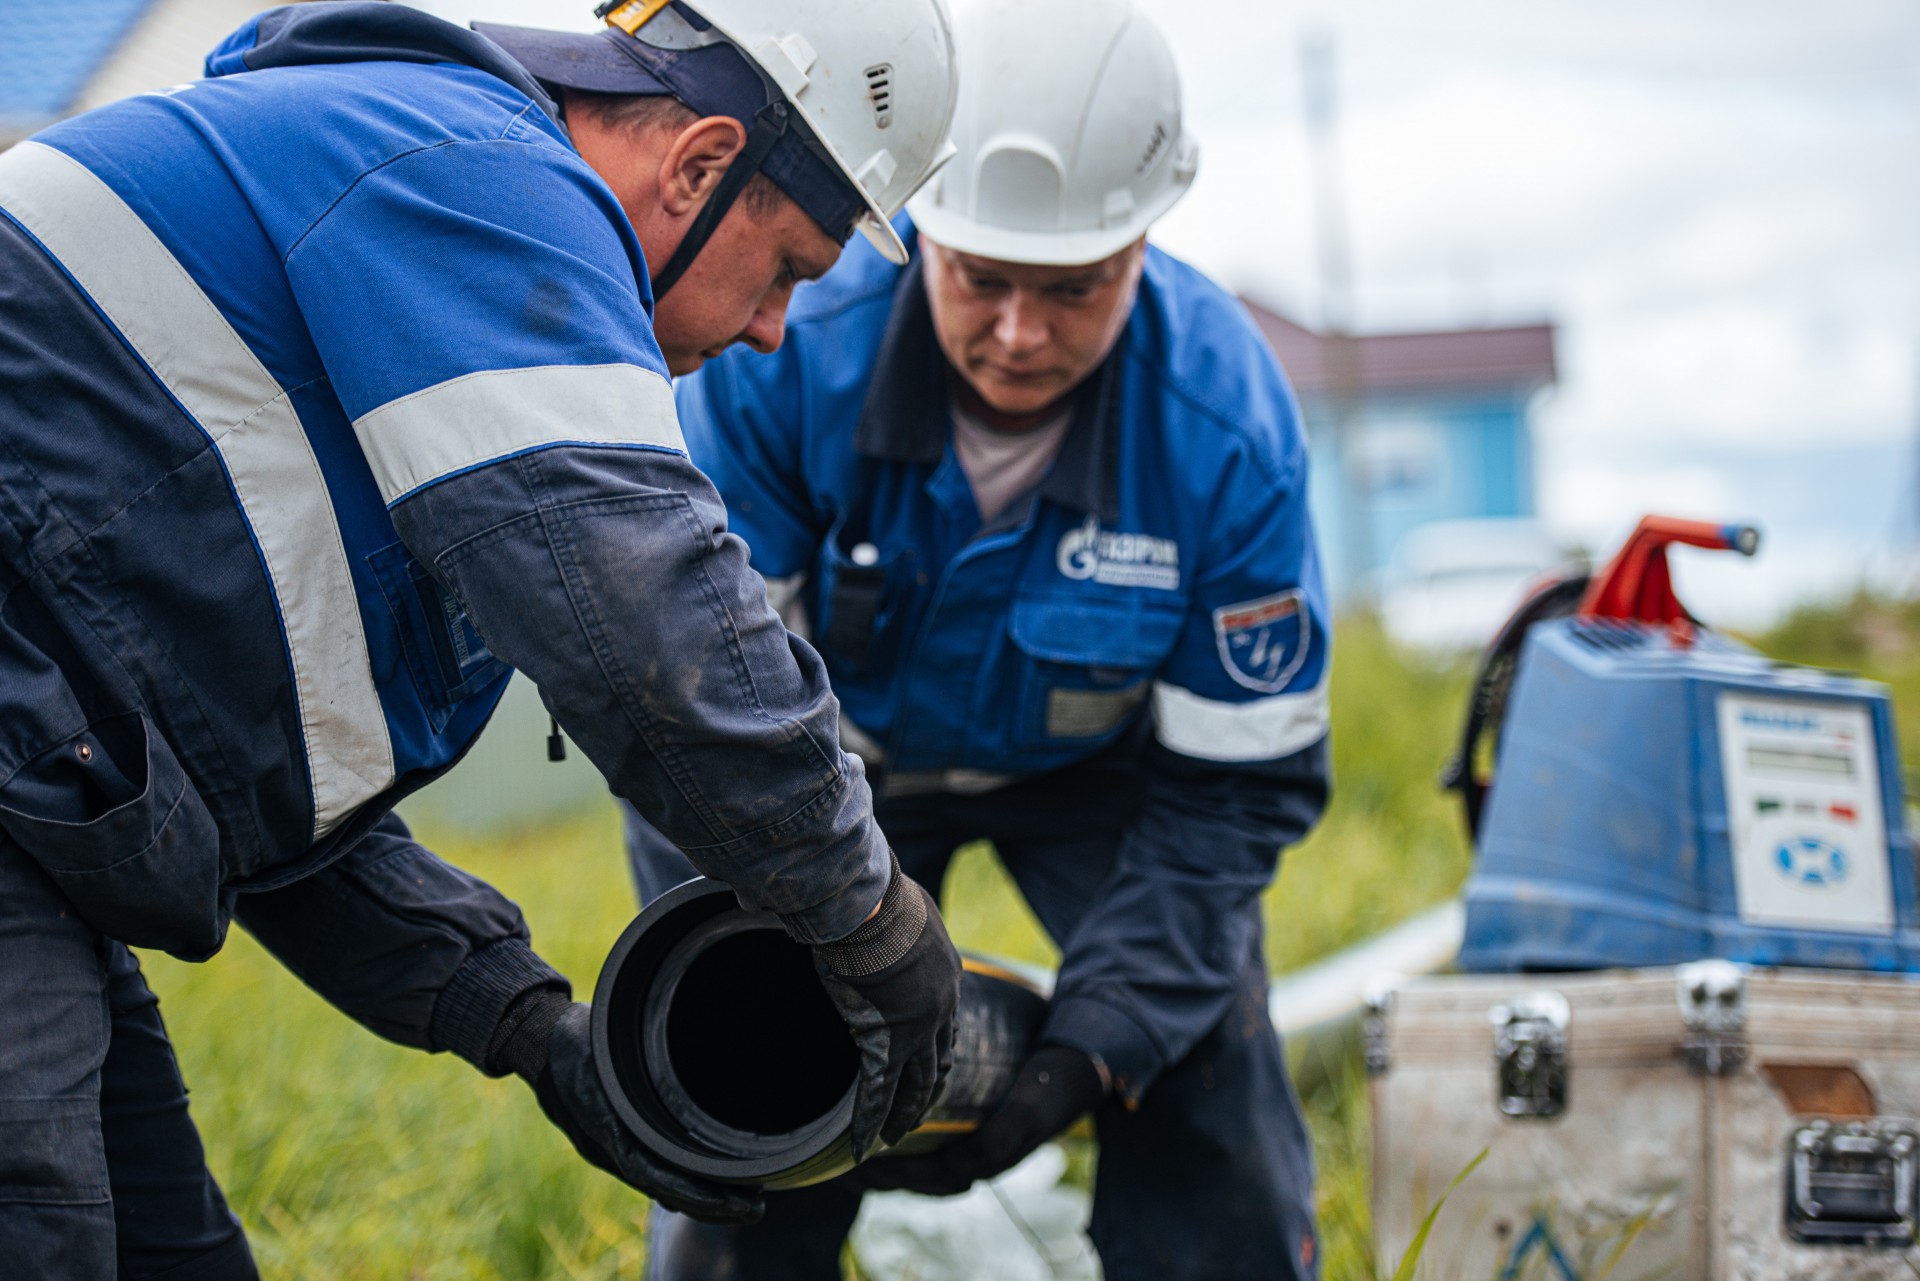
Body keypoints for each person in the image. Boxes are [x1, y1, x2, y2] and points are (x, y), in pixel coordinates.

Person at [0, 2, 967, 1276]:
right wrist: (871, 918)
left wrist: (525, 1022)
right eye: (789, 266)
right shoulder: (469, 165)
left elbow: (247, 790)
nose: (773, 329)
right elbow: (655, 622)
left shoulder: (417, 282)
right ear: (696, 164)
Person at [622, 1, 1332, 1277]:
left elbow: (1231, 798)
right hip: (807, 777)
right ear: (921, 233)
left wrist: (1090, 1048)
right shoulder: (785, 358)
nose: (1018, 333)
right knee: (756, 1074)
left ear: (1144, 243)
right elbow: (699, 714)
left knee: (1198, 1062)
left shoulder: (1223, 429)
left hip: (1099, 779)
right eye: (983, 282)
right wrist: (840, 956)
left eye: (1072, 291)